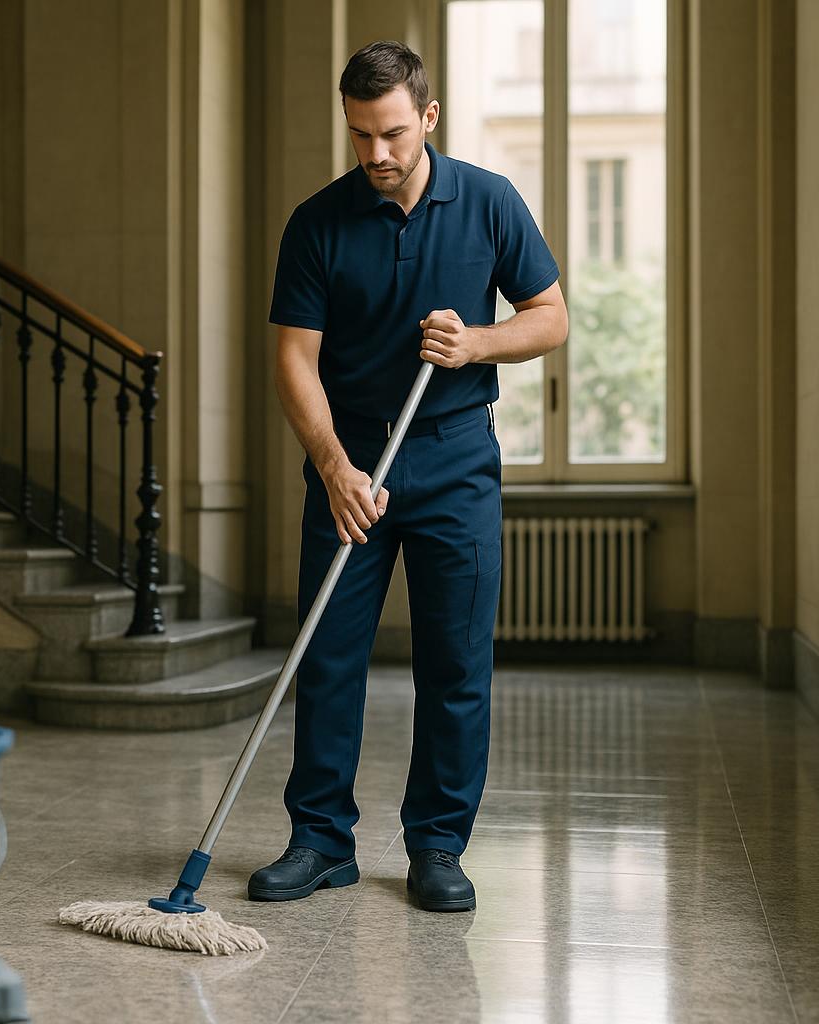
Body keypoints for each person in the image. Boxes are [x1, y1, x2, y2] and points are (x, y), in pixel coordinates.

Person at [249, 40, 568, 912]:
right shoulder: (318, 222)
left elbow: (550, 318)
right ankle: (319, 842)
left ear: (427, 117)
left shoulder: (490, 203)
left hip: (458, 454)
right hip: (350, 459)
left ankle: (436, 845)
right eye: (360, 137)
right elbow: (293, 357)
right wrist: (333, 467)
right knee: (328, 657)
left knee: (456, 662)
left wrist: (476, 343)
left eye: (392, 133)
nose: (378, 155)